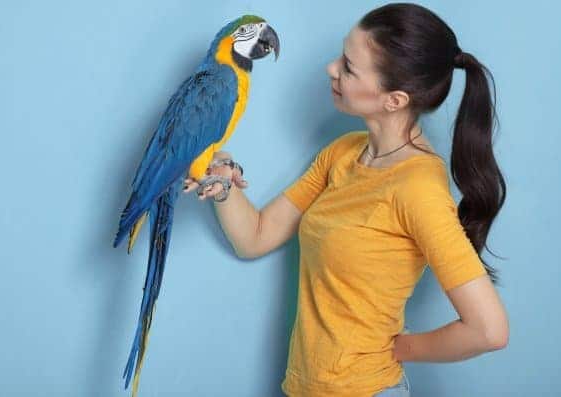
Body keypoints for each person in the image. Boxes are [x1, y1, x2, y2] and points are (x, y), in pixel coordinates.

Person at [183, 3, 509, 396]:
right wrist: (222, 179)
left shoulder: (417, 188)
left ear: (395, 100)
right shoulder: (344, 153)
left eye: (349, 67)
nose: (331, 69)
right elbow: (255, 236)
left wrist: (397, 347)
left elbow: (488, 331)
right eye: (342, 55)